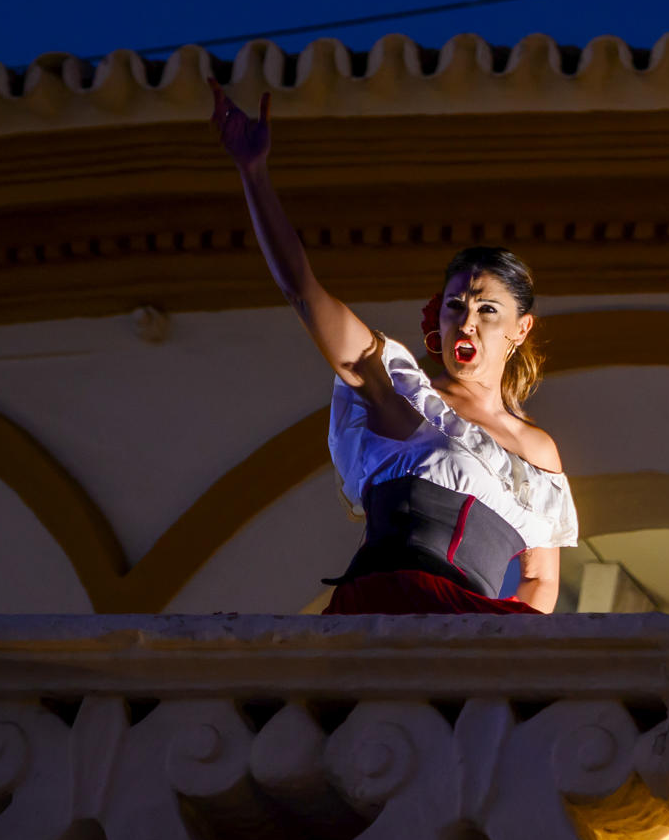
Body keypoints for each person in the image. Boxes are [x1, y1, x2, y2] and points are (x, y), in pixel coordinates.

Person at [208, 80, 577, 614]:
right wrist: (254, 174)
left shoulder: (537, 451)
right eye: (455, 306)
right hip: (385, 606)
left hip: (474, 631)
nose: (466, 322)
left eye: (487, 309)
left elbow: (541, 584)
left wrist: (503, 653)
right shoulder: (401, 391)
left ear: (521, 329)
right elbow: (304, 293)